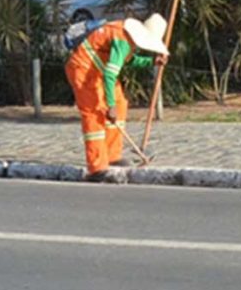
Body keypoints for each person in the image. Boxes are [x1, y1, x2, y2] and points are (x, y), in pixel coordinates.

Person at [65, 13, 170, 179]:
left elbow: (126, 60)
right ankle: (97, 166)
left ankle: (112, 156)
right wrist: (110, 105)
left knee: (120, 104)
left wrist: (151, 62)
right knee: (95, 114)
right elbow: (110, 74)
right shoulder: (122, 38)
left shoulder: (127, 38)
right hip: (83, 71)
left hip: (98, 71)